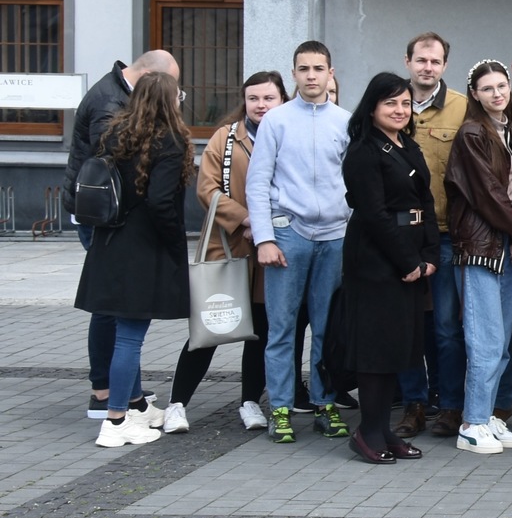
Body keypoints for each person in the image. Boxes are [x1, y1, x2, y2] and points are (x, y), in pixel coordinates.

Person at [164, 70, 286, 435]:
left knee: (261, 330)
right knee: (211, 329)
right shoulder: (226, 137)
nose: (261, 105)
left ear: (281, 99)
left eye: (269, 98)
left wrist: (268, 228)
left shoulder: (290, 134)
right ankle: (177, 404)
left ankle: (250, 401)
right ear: (244, 101)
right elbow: (208, 189)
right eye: (254, 99)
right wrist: (247, 219)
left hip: (273, 249)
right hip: (229, 245)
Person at [74, 71, 189, 448]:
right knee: (129, 338)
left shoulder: (115, 133)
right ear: (169, 101)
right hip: (141, 251)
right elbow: (160, 203)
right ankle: (117, 420)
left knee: (124, 331)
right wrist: (175, 244)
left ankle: (136, 406)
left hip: (109, 245)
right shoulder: (169, 140)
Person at [248, 41, 353, 443]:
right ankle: (280, 407)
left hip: (333, 238)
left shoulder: (345, 121)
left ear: (330, 73)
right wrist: (265, 238)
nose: (311, 75)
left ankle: (326, 403)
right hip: (289, 235)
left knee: (327, 327)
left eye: (318, 68)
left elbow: (353, 185)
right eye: (303, 68)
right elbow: (257, 182)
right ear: (293, 74)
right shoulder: (275, 121)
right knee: (282, 328)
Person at [336, 72, 438, 465]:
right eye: (390, 103)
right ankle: (368, 431)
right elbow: (375, 215)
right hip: (376, 262)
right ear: (373, 107)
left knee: (397, 347)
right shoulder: (364, 151)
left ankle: (384, 429)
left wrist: (428, 254)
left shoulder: (407, 145)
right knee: (376, 351)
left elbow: (425, 203)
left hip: (411, 255)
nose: (399, 110)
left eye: (405, 103)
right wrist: (408, 261)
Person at [445, 60, 512, 454]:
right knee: (484, 338)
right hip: (481, 246)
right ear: (475, 94)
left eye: (502, 86)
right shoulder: (471, 133)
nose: (498, 93)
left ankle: (488, 415)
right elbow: (487, 193)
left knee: (501, 339)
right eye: (488, 88)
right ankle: (473, 423)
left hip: (506, 245)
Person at [402, 32, 468, 439]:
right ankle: (413, 404)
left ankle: (450, 405)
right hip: (401, 235)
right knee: (408, 325)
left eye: (436, 61)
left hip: (445, 233)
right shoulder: (391, 103)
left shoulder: (462, 108)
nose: (428, 67)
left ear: (445, 65)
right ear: (408, 61)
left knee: (446, 326)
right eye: (421, 60)